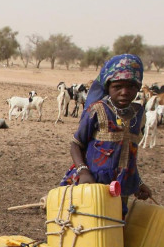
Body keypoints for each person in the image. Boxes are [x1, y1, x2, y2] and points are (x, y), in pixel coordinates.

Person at [61, 54, 152, 214]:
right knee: (87, 228)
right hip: (91, 184)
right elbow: (76, 144)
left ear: (138, 87)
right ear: (108, 87)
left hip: (119, 189)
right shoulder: (97, 110)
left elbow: (129, 153)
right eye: (117, 87)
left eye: (131, 87)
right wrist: (83, 171)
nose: (124, 92)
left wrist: (137, 183)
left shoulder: (138, 115)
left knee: (113, 229)